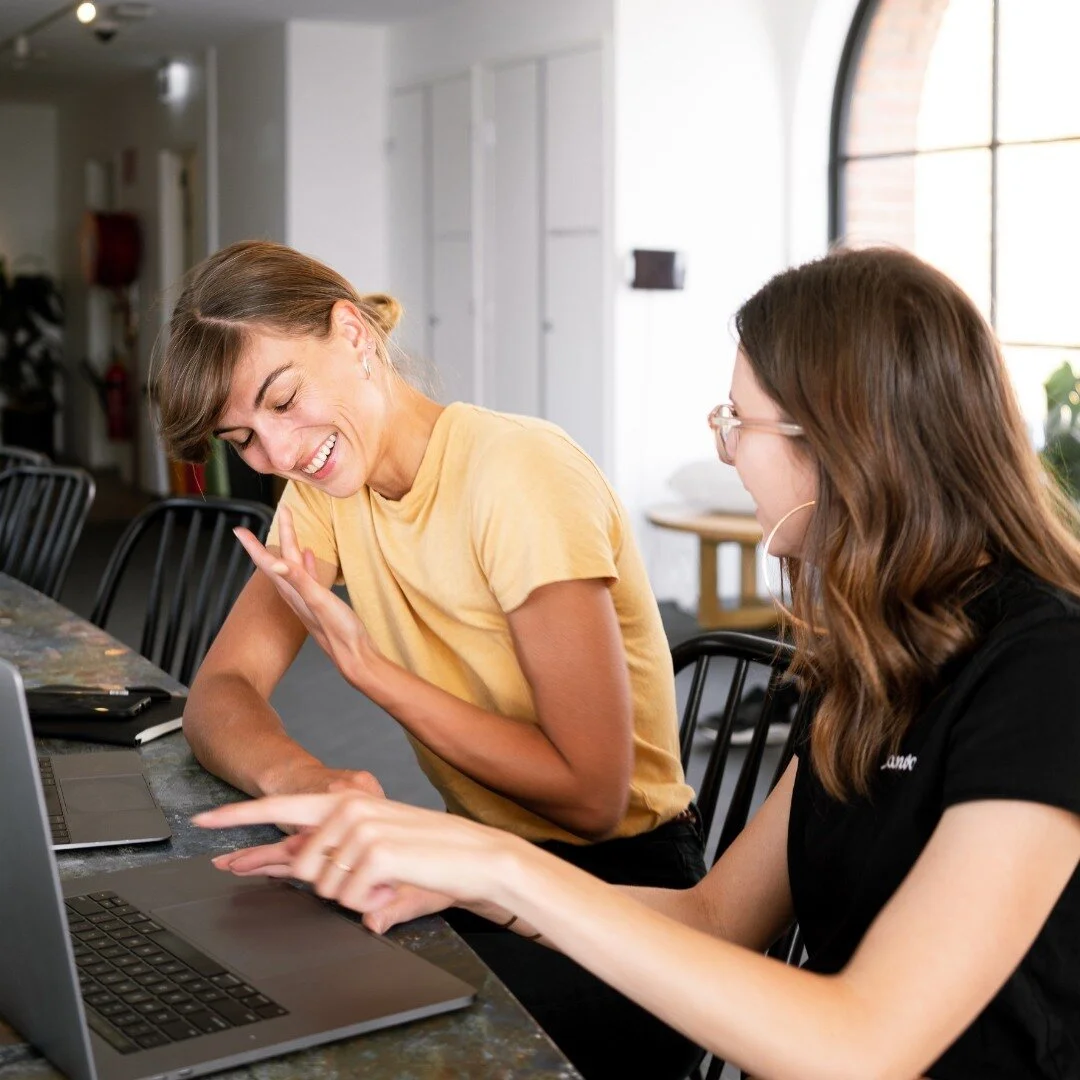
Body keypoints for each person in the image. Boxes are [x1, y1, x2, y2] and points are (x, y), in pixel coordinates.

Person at [194, 246, 1080, 1080]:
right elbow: (717, 919)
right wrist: (464, 874)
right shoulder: (879, 656)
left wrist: (497, 866)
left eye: (739, 423)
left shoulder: (1045, 669)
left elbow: (862, 1045)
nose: (728, 452)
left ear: (843, 442)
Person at [151, 239, 706, 1080]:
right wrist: (309, 784)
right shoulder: (323, 495)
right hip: (479, 868)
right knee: (263, 973)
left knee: (357, 1036)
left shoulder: (516, 473)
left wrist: (375, 674)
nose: (280, 451)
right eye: (245, 438)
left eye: (285, 399)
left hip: (627, 900)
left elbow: (593, 798)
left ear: (353, 334)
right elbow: (220, 695)